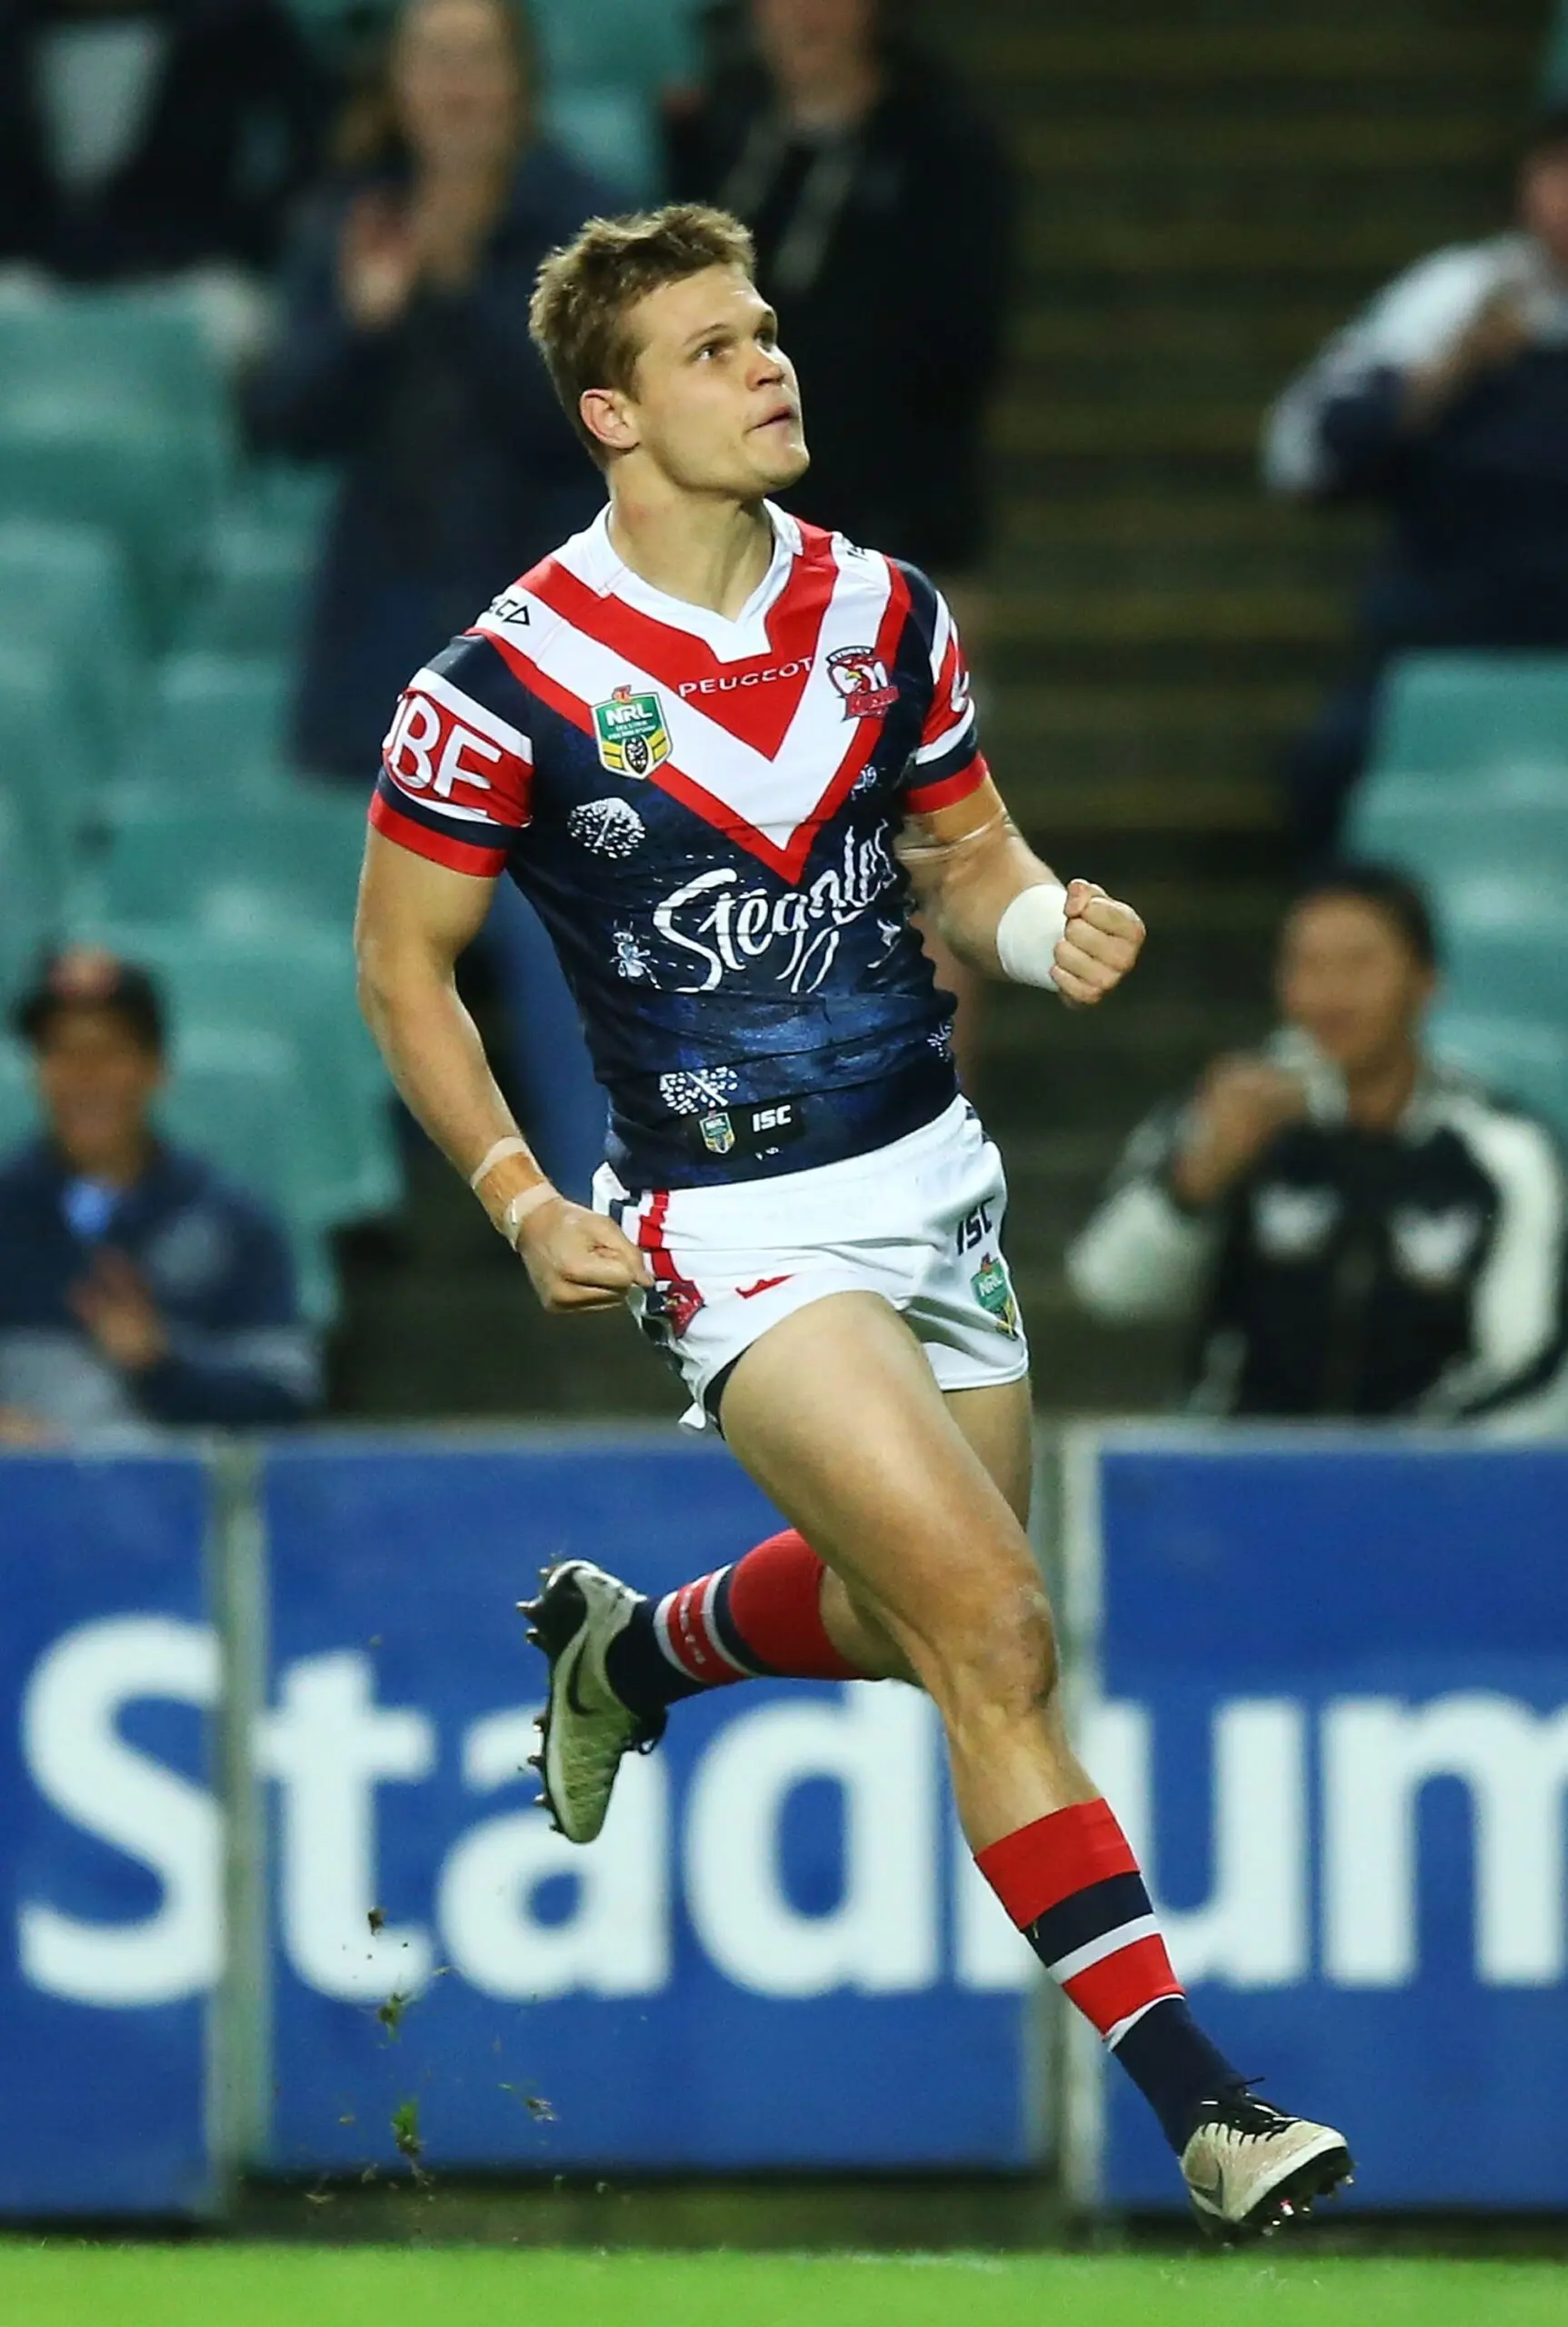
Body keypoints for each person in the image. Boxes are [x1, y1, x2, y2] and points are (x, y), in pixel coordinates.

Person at [352, 202, 1352, 2237]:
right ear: (612, 414)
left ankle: (636, 1654)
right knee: (998, 1629)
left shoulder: (885, 613)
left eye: (768, 330)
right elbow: (401, 965)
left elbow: (965, 852)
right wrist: (520, 1196)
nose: (768, 366)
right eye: (714, 348)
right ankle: (1209, 2106)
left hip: (930, 1178)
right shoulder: (504, 682)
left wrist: (1040, 924)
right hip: (734, 1222)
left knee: (921, 1627)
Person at [247, 0, 613, 1196]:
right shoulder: (353, 216)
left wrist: (455, 291)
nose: (456, 87)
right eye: (432, 61)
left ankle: (603, 1213)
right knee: (379, 943)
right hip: (390, 649)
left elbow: (599, 423)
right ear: (396, 84)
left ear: (521, 81)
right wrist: (365, 325)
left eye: (478, 61)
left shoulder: (587, 230)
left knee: (559, 936)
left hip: (549, 655)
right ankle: (370, 1198)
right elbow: (283, 418)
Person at [1067, 867, 1568, 1428]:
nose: (1331, 992)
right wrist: (1197, 1181)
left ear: (1428, 980)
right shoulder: (1227, 1110)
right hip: (1239, 1466)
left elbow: (1531, 1363)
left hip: (1429, 1473)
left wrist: (1399, 1462)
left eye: (1358, 964)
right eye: (1307, 965)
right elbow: (1106, 1287)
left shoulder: (1503, 1150)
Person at [1264, 108, 1568, 859]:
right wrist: (1448, 374)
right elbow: (1303, 452)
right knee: (1327, 769)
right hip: (1445, 647)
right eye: (1558, 169)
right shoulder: (1456, 297)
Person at [0, 947, 321, 1443]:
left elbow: (288, 1397)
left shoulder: (232, 1222)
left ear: (155, 1069)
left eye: (109, 1052)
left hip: (186, 1489)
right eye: (62, 1052)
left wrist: (162, 1366)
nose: (86, 1077)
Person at [0, 0, 328, 284]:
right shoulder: (11, 36)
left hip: (198, 270)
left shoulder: (235, 27)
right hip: (22, 273)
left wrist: (255, 238)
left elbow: (312, 140)